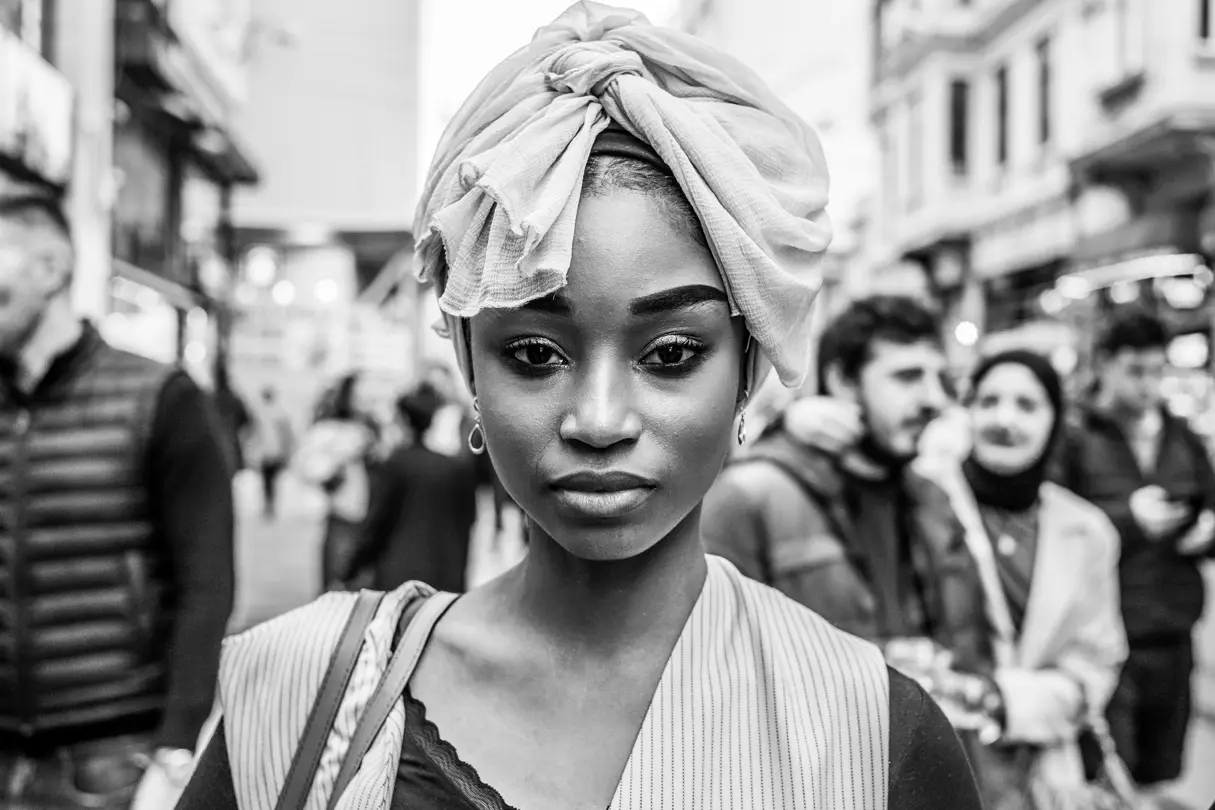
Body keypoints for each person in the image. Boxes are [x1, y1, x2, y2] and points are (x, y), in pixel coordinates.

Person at [178, 5, 981, 809]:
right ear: (467, 364)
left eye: (670, 355)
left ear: (748, 369)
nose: (598, 420)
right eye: (534, 355)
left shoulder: (871, 737)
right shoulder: (292, 699)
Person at [0, 192, 234, 808]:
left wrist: (176, 750)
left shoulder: (161, 398)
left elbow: (206, 584)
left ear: (50, 269)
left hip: (112, 757)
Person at [702, 295, 991, 673]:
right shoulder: (750, 497)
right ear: (843, 381)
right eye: (907, 377)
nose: (934, 400)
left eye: (941, 379)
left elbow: (971, 641)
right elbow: (715, 671)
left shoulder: (932, 497)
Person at [938, 350, 1128, 808]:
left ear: (1054, 421)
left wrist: (1006, 701)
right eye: (988, 401)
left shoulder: (1088, 530)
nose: (1004, 419)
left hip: (1044, 778)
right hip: (934, 759)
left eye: (1027, 405)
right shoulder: (922, 499)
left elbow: (1097, 666)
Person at [1055, 311, 1215, 798]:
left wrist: (1207, 529)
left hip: (1173, 630)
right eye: (1135, 372)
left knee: (1160, 770)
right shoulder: (1074, 435)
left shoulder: (1180, 433)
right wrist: (1128, 519)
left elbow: (1210, 500)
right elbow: (1054, 531)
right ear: (1104, 365)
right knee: (1109, 777)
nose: (1148, 385)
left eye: (1156, 371)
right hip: (1105, 638)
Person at [341, 382, 480, 592]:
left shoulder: (395, 465)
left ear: (404, 420)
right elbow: (469, 518)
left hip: (400, 579)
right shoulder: (455, 468)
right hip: (447, 577)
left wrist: (349, 571)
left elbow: (376, 525)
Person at [295, 372, 381, 589]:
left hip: (374, 519)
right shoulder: (329, 430)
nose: (368, 401)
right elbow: (305, 465)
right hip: (344, 515)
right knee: (337, 586)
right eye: (361, 395)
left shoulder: (377, 431)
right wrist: (336, 465)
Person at [252, 385, 295, 519]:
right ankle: (269, 506)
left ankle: (269, 506)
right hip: (269, 452)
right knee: (269, 482)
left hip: (271, 452)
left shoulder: (272, 413)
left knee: (269, 482)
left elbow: (285, 434)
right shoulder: (270, 412)